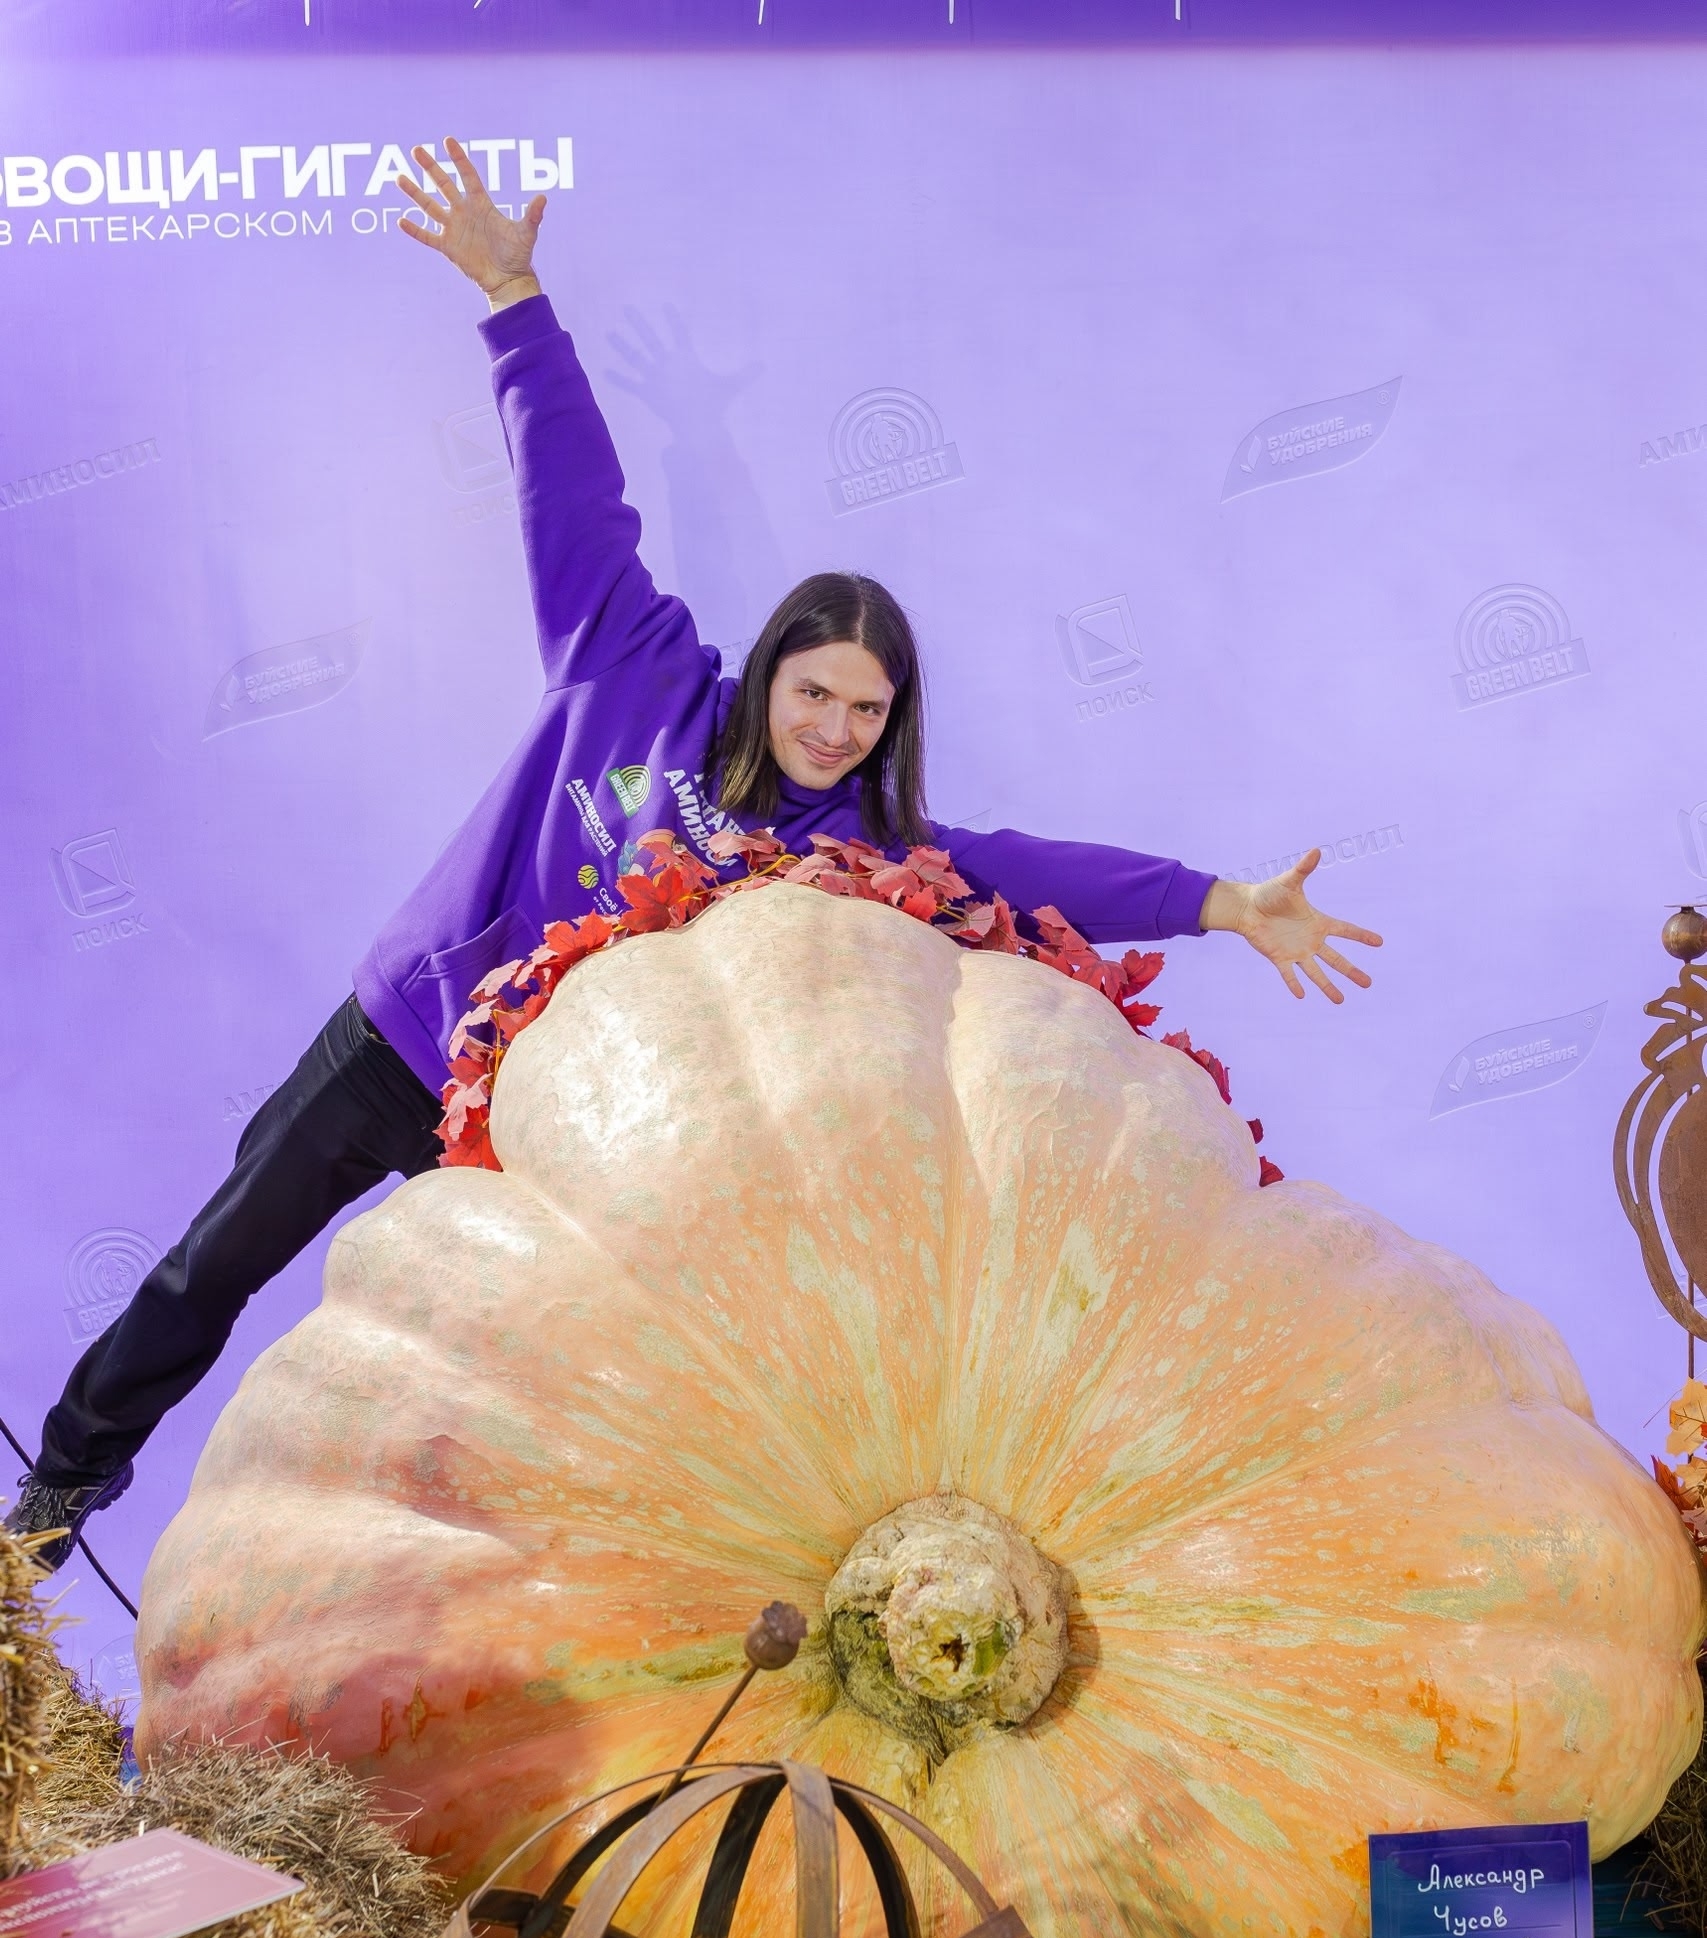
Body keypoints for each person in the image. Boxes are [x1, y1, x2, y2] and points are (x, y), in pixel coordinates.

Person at [7, 137, 1381, 1574]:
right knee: (211, 1265)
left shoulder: (854, 847)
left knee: (439, 1412)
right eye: (816, 693)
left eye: (868, 712)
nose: (836, 729)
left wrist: (1225, 902)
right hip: (404, 1039)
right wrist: (517, 301)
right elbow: (575, 496)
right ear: (770, 669)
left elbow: (1027, 872)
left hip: (534, 1134)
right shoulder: (634, 667)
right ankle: (45, 1516)